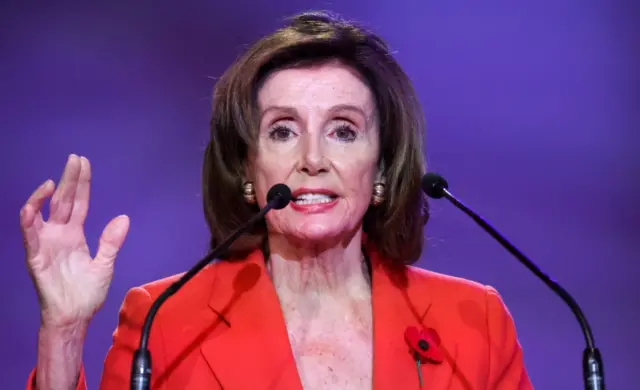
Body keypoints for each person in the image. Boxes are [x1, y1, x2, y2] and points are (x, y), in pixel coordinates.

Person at [21, 11, 533, 390]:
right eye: (283, 131)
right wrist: (63, 333)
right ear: (247, 168)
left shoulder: (473, 321)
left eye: (344, 131)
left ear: (381, 166)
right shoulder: (166, 318)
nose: (313, 158)